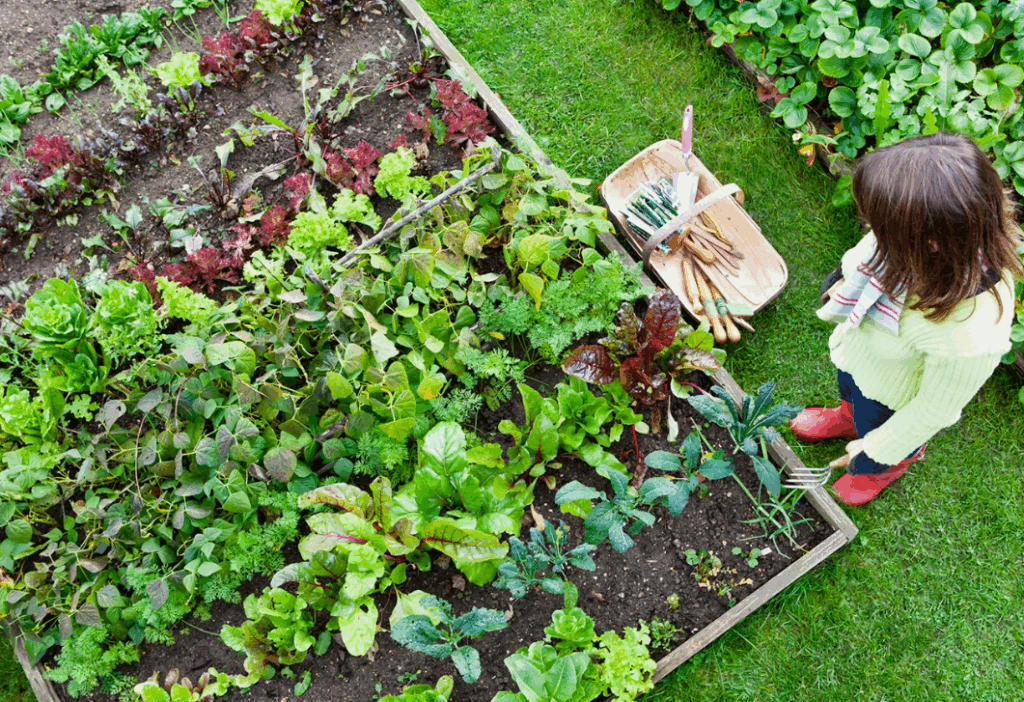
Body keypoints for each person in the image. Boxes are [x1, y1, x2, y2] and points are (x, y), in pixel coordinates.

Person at [789, 132, 1023, 506]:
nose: (869, 228)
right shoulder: (916, 245)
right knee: (851, 390)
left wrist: (875, 448)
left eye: (879, 225)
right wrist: (844, 282)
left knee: (877, 426)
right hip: (862, 356)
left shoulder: (972, 334)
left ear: (928, 242)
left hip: (893, 400)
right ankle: (848, 416)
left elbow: (932, 410)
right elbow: (867, 253)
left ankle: (883, 467)